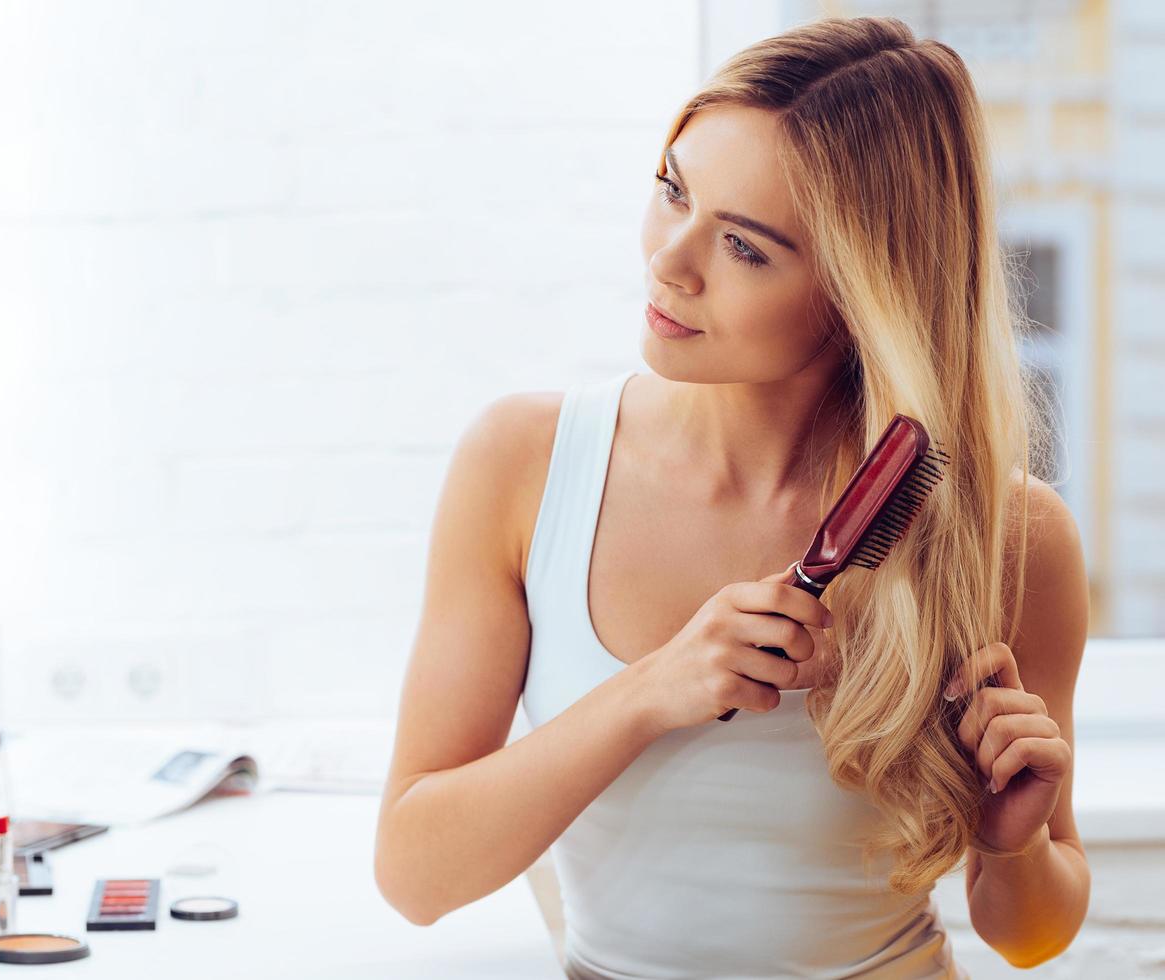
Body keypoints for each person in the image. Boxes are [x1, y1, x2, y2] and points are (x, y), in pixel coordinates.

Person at [374, 15, 1091, 980]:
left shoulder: (1008, 538)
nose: (670, 259)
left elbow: (1028, 936)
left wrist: (1012, 844)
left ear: (859, 292)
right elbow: (415, 877)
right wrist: (648, 690)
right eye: (673, 189)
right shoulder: (524, 465)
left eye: (745, 248)